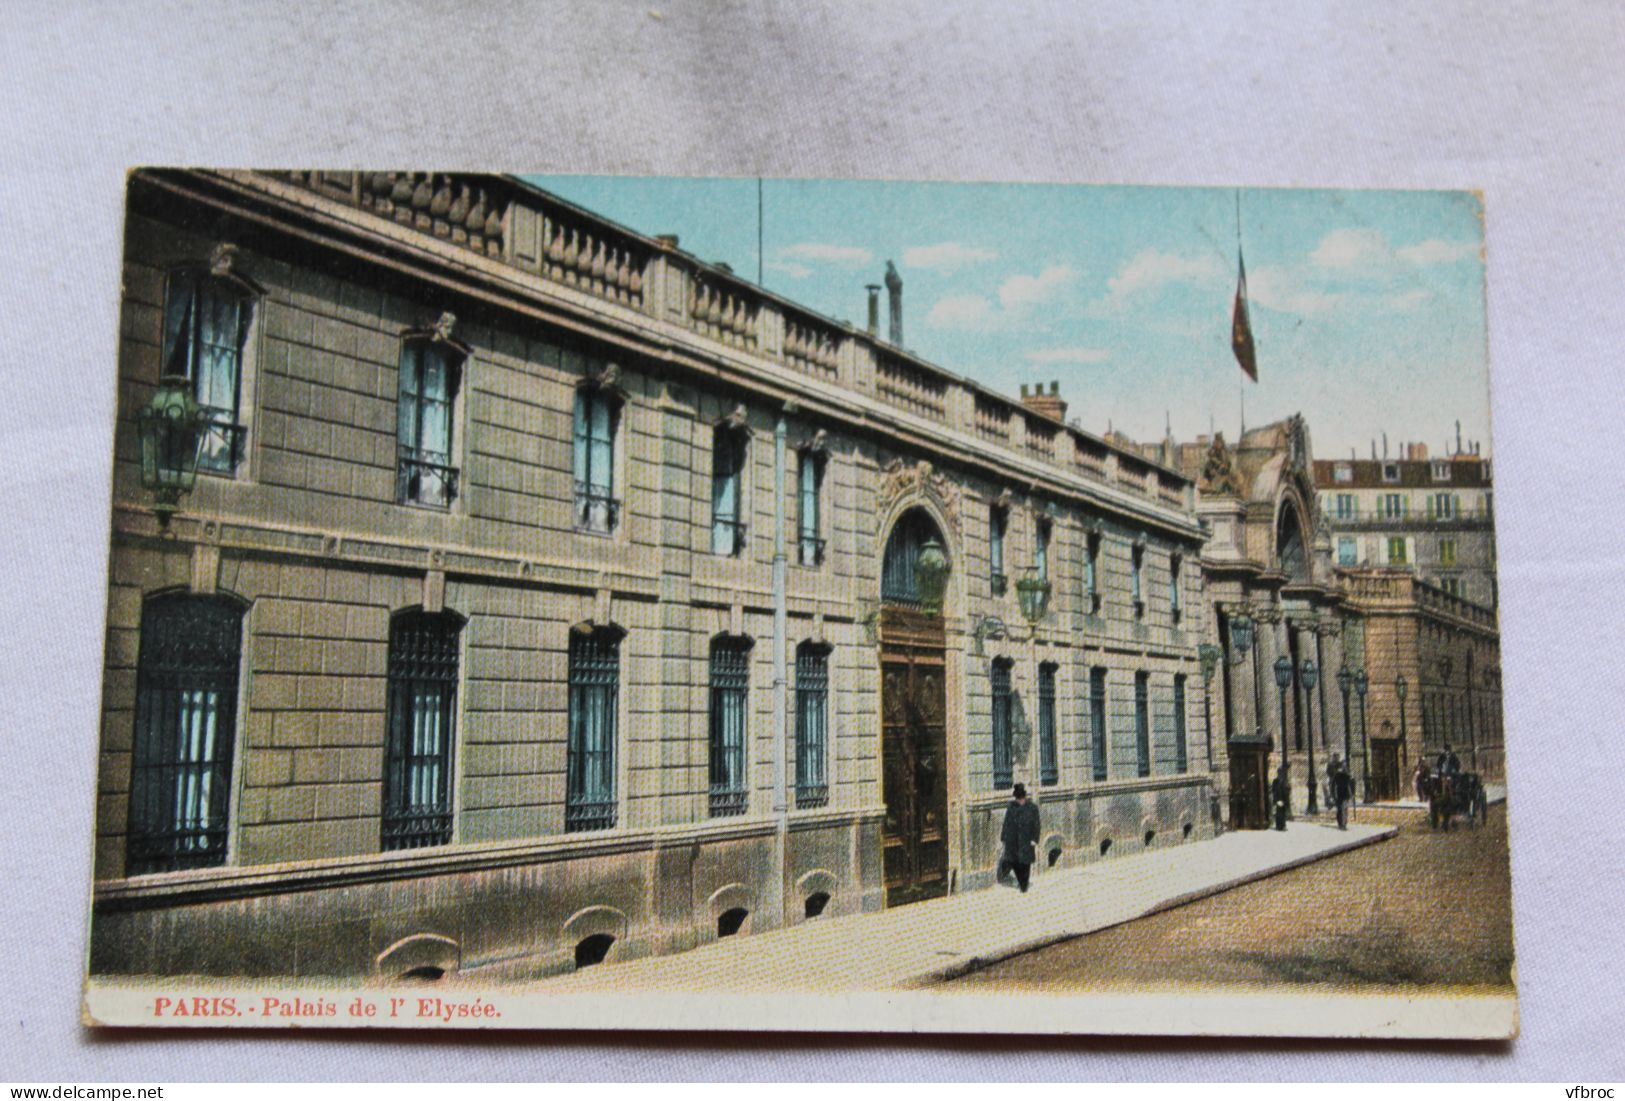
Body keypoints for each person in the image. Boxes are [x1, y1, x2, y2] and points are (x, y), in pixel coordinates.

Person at [997, 783, 1041, 893]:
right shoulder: (1011, 807)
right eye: (1018, 798)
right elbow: (1006, 823)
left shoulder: (1032, 808)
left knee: (1026, 863)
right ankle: (1021, 881)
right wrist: (1003, 839)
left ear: (1024, 797)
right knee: (1015, 862)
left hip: (1026, 840)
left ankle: (1024, 885)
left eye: (1021, 798)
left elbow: (1037, 824)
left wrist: (1035, 839)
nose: (1020, 800)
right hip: (1013, 840)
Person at [1329, 755, 1355, 830]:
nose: (1344, 766)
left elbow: (1351, 783)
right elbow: (1333, 785)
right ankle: (1342, 823)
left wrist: (1351, 794)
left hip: (1344, 793)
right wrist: (1333, 795)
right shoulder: (1337, 775)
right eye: (1342, 765)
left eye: (1344, 765)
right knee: (1341, 809)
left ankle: (1343, 823)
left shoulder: (1347, 774)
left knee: (1344, 808)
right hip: (1339, 793)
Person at [1270, 766, 1290, 831]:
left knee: (1280, 813)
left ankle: (1280, 826)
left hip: (1280, 799)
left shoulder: (1277, 781)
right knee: (1280, 813)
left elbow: (1274, 790)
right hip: (1280, 799)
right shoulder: (1282, 781)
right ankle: (1281, 826)